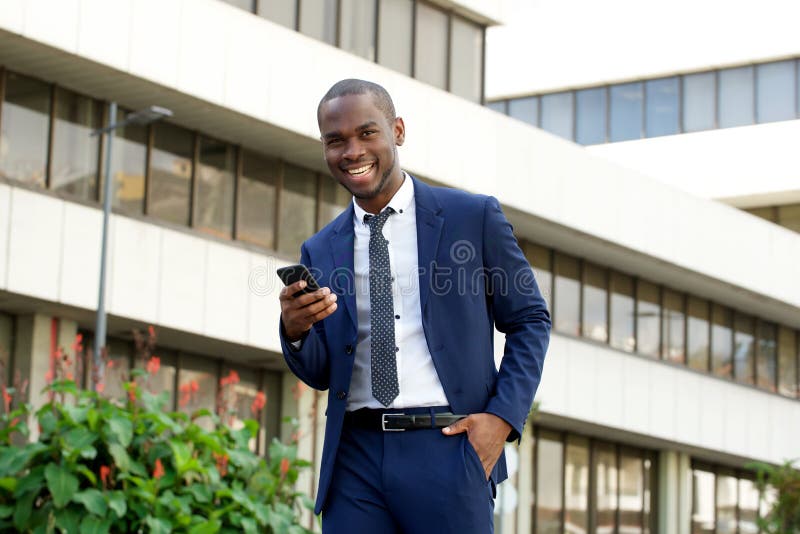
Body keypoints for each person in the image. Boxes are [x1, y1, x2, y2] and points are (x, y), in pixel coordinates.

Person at [279, 79, 550, 533]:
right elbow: (322, 371)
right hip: (355, 460)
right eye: (335, 141)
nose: (352, 151)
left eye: (367, 133)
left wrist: (501, 419)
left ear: (397, 131)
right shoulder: (321, 249)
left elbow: (529, 320)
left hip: (448, 447)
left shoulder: (472, 217)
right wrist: (295, 331)